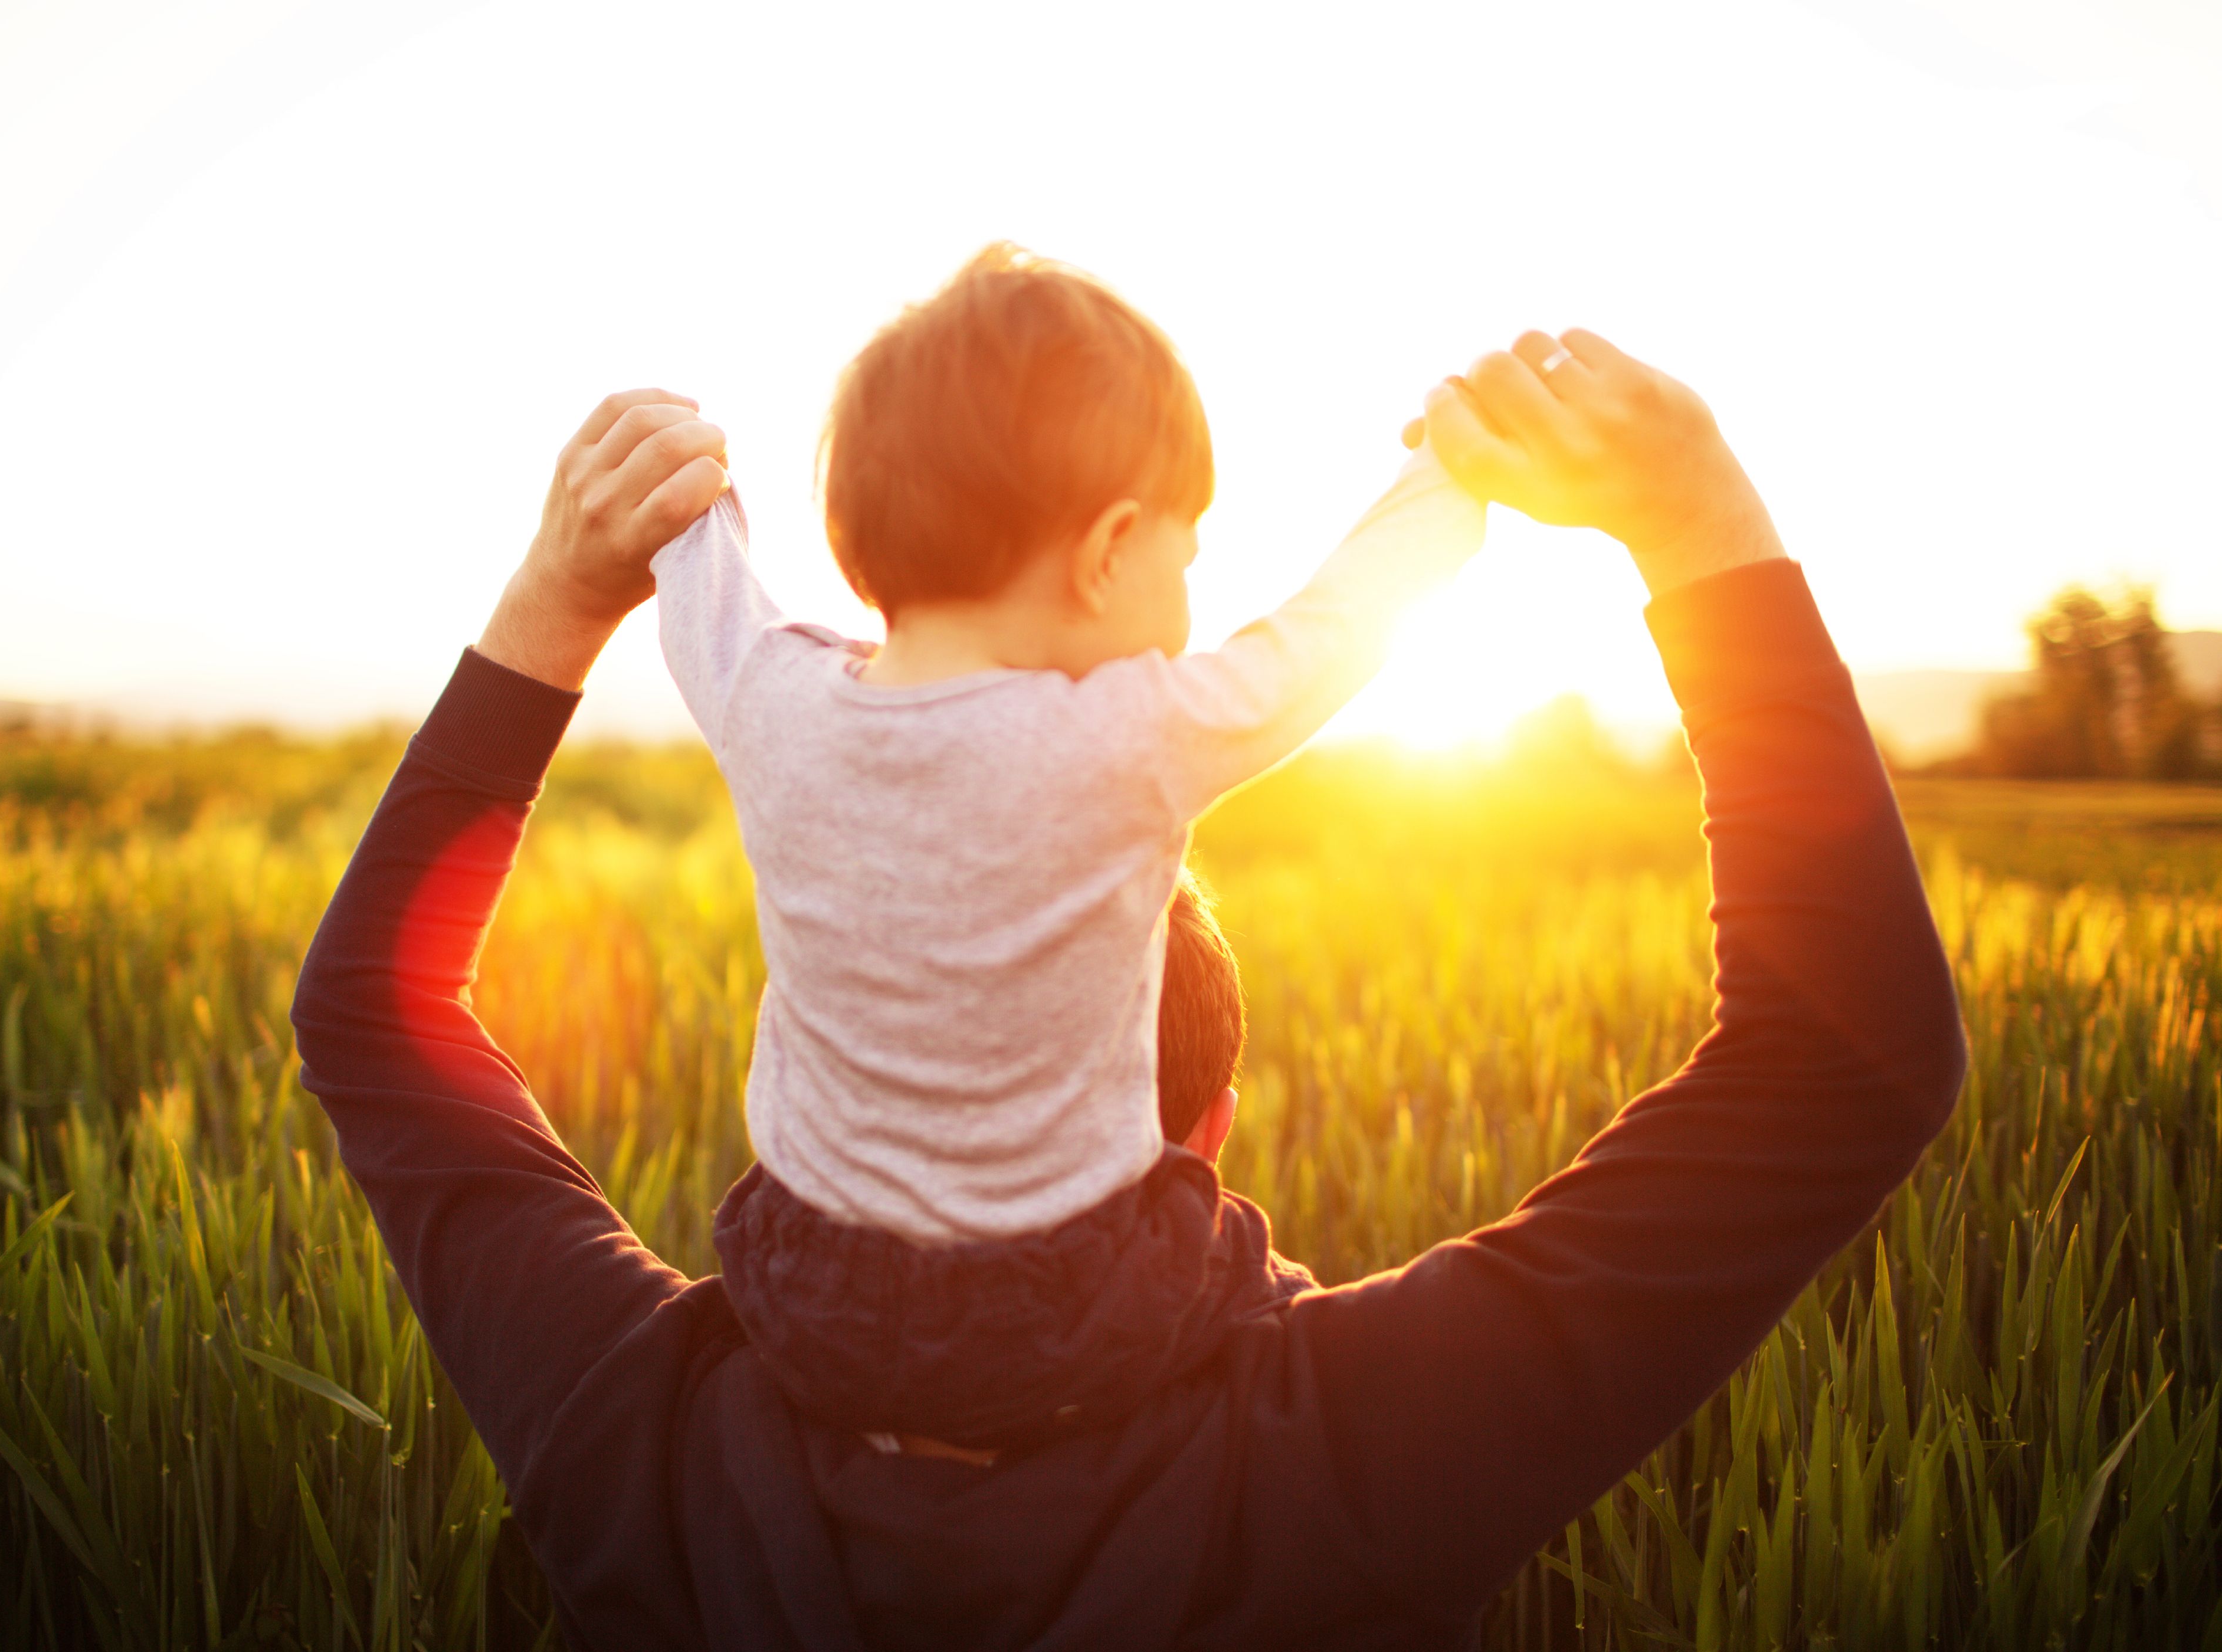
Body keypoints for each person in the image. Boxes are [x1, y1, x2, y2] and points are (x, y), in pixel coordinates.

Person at [292, 327, 1967, 1648]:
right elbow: (1845, 1066)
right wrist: (1694, 521)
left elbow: (376, 1016)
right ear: (1207, 1126)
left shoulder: (634, 1434)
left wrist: (558, 601)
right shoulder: (1353, 1463)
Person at [643, 245, 1483, 1447]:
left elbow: (702, 585)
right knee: (1231, 1244)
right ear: (1107, 552)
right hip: (1067, 1318)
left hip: (801, 1293)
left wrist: (692, 474)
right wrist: (1448, 476)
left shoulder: (771, 700)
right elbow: (1325, 637)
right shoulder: (1128, 739)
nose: (1191, 600)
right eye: (1183, 560)